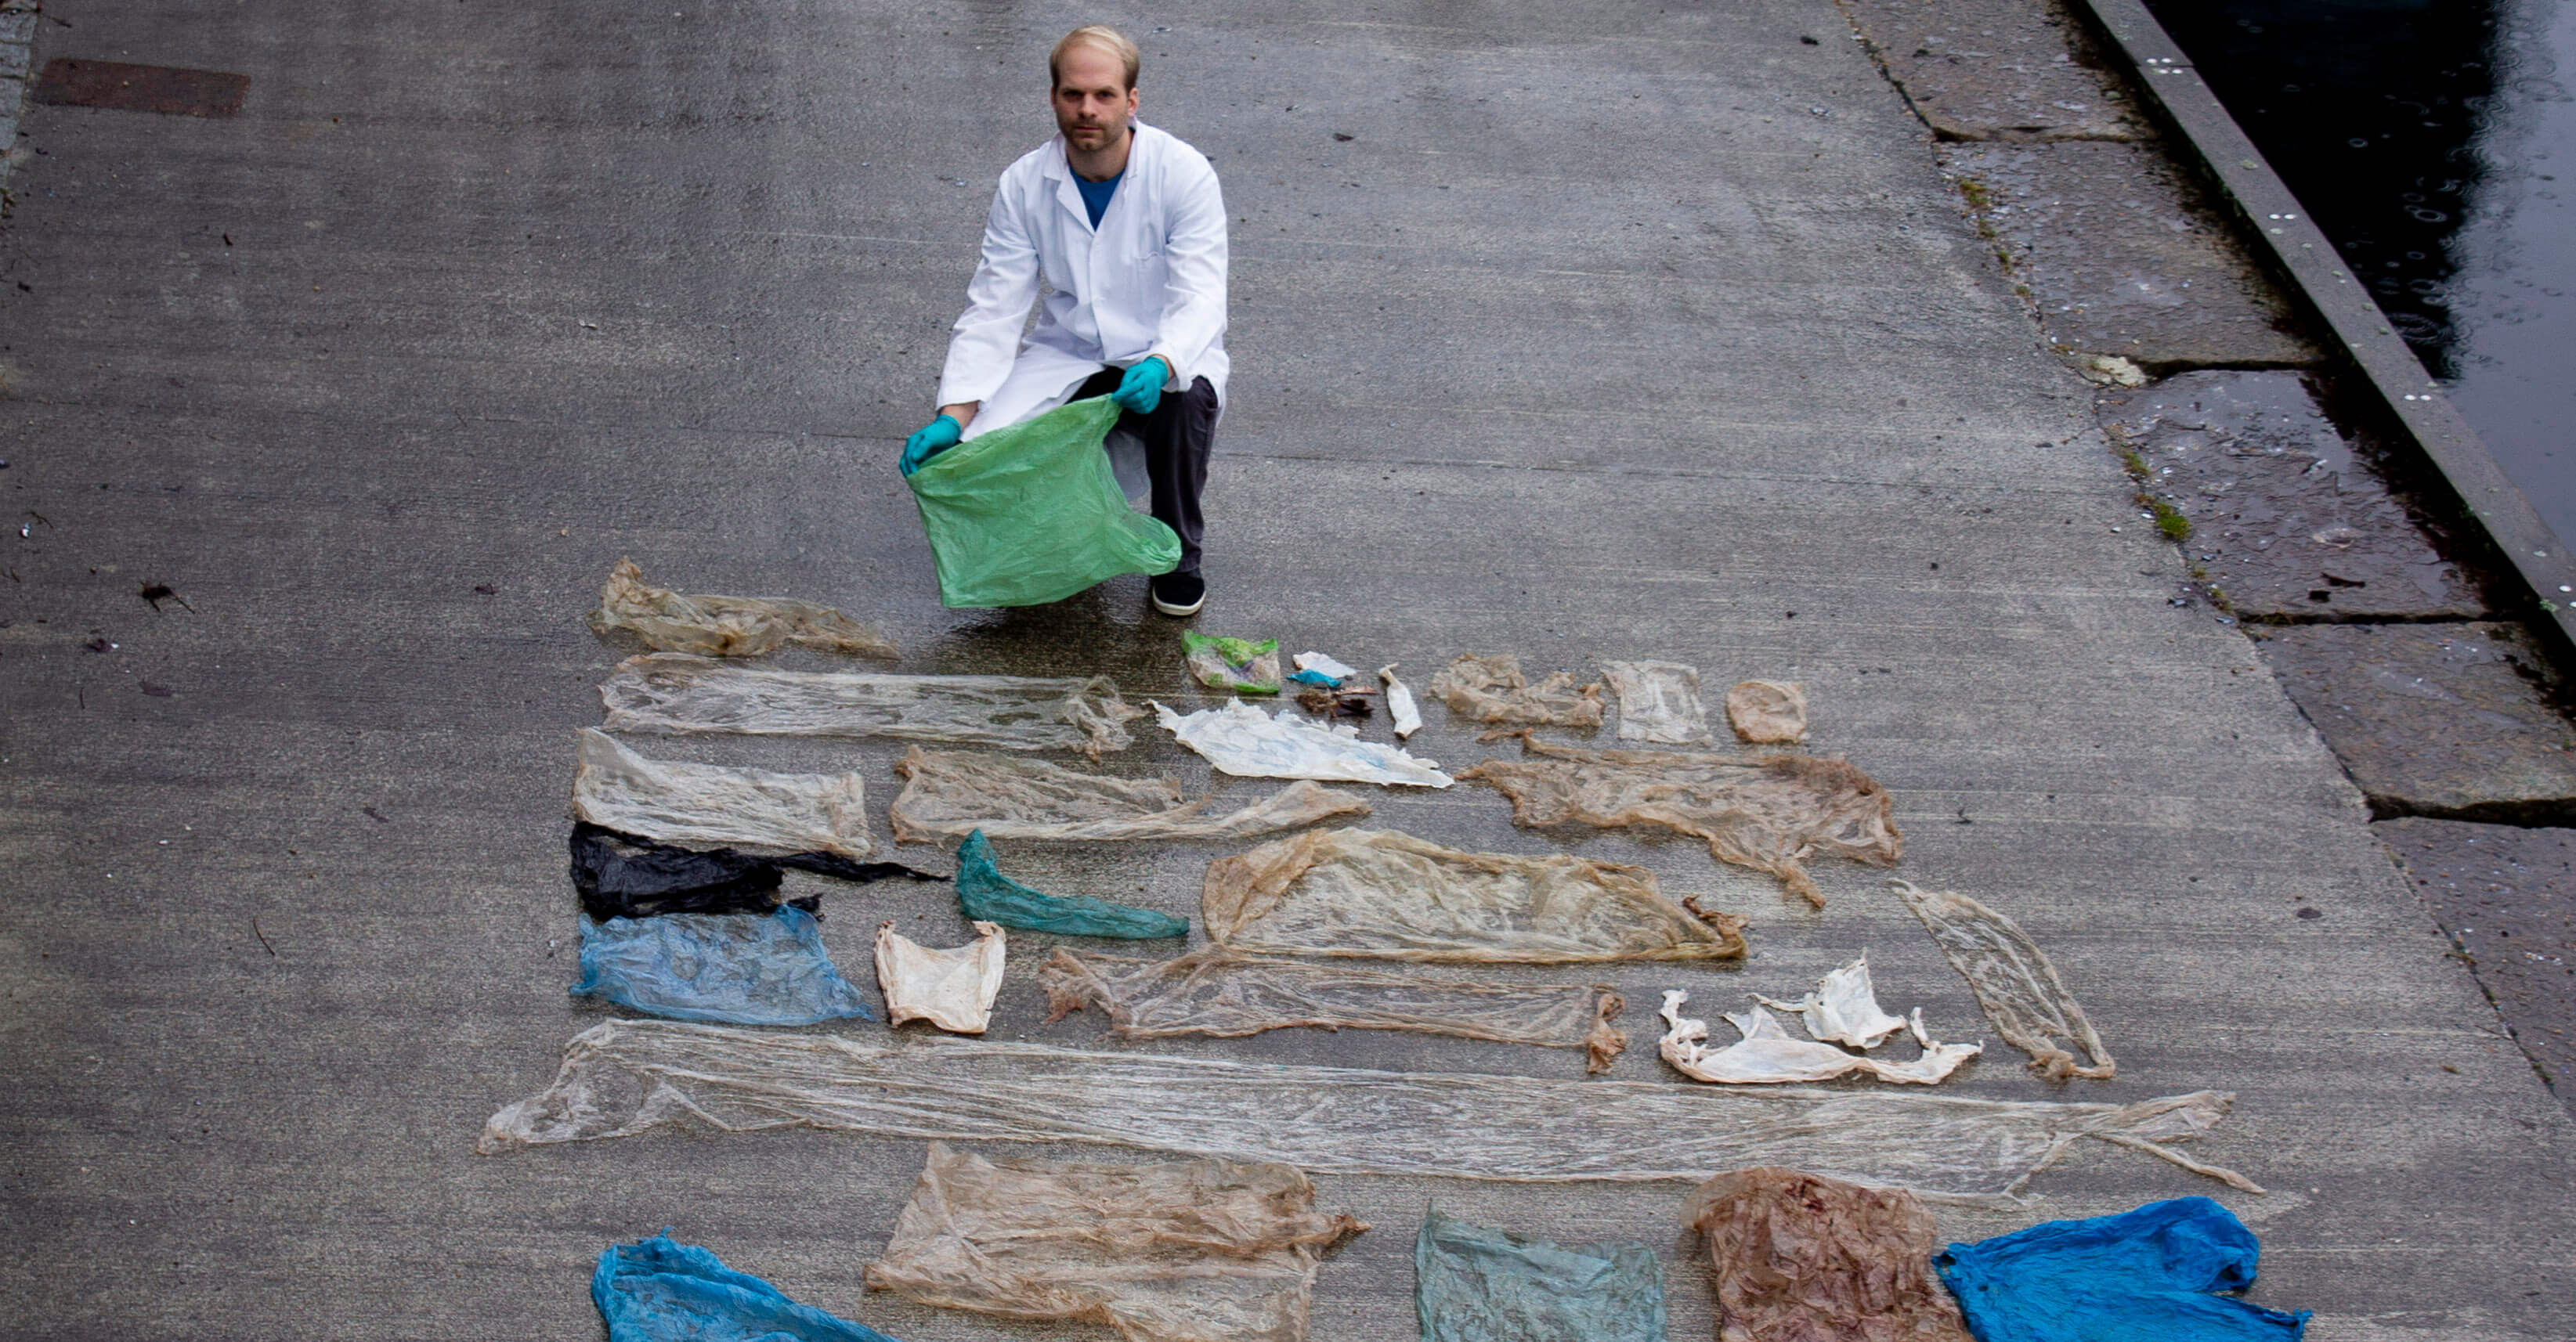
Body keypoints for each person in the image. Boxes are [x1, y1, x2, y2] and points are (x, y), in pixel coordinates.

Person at [900, 24, 1228, 617]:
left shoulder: (1181, 174)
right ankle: (1055, 544)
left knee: (1183, 405)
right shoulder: (1025, 183)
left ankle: (1179, 556)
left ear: (1132, 100)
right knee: (984, 450)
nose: (1087, 109)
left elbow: (1200, 294)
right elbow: (995, 305)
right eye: (1073, 94)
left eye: (1104, 95)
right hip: (1070, 353)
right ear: (1053, 97)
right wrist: (955, 415)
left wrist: (1163, 361)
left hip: (1162, 353)